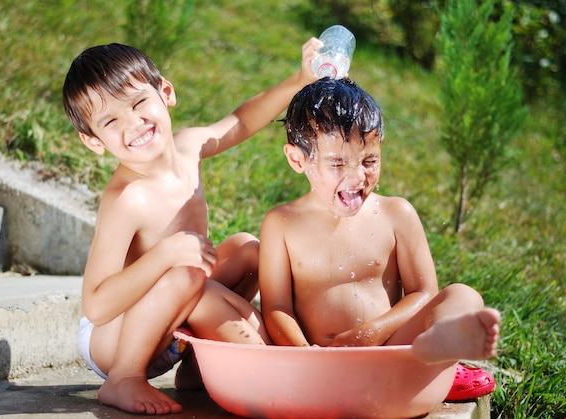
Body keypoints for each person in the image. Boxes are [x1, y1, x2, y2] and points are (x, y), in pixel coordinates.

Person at [62, 40, 320, 415]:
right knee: (188, 278)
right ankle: (124, 379)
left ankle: (198, 369)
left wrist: (300, 79)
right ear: (93, 141)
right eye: (110, 121)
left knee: (249, 250)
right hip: (117, 339)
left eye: (138, 103)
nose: (133, 123)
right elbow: (97, 305)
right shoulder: (128, 199)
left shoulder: (188, 147)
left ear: (165, 92)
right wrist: (164, 255)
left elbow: (240, 121)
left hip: (175, 316)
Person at [259, 78, 501, 367]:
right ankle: (439, 346)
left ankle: (442, 339)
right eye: (337, 164)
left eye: (369, 161)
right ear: (298, 160)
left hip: (392, 356)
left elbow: (424, 294)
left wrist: (369, 334)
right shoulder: (283, 224)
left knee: (463, 294)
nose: (357, 177)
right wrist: (305, 355)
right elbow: (276, 308)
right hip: (318, 365)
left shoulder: (396, 214)